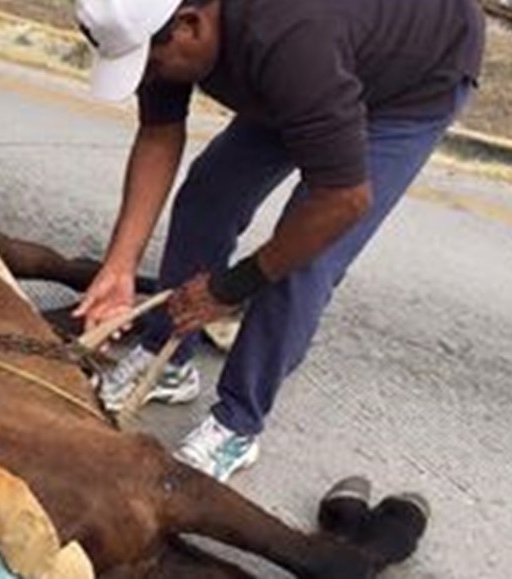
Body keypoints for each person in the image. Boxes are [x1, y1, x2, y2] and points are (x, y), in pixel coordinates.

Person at [73, 0, 484, 481]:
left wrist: (228, 290)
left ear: (192, 25)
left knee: (307, 256)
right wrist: (120, 265)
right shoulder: (159, 21)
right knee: (209, 194)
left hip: (411, 79)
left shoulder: (290, 41)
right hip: (325, 64)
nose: (148, 78)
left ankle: (236, 426)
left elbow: (342, 201)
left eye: (150, 65)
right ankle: (168, 359)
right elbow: (159, 135)